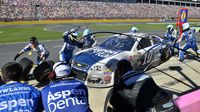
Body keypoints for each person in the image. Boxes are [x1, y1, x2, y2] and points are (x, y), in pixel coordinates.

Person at [109, 59, 179, 112]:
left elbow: (114, 103)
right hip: (172, 106)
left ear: (119, 71)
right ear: (131, 68)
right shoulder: (146, 76)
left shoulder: (120, 84)